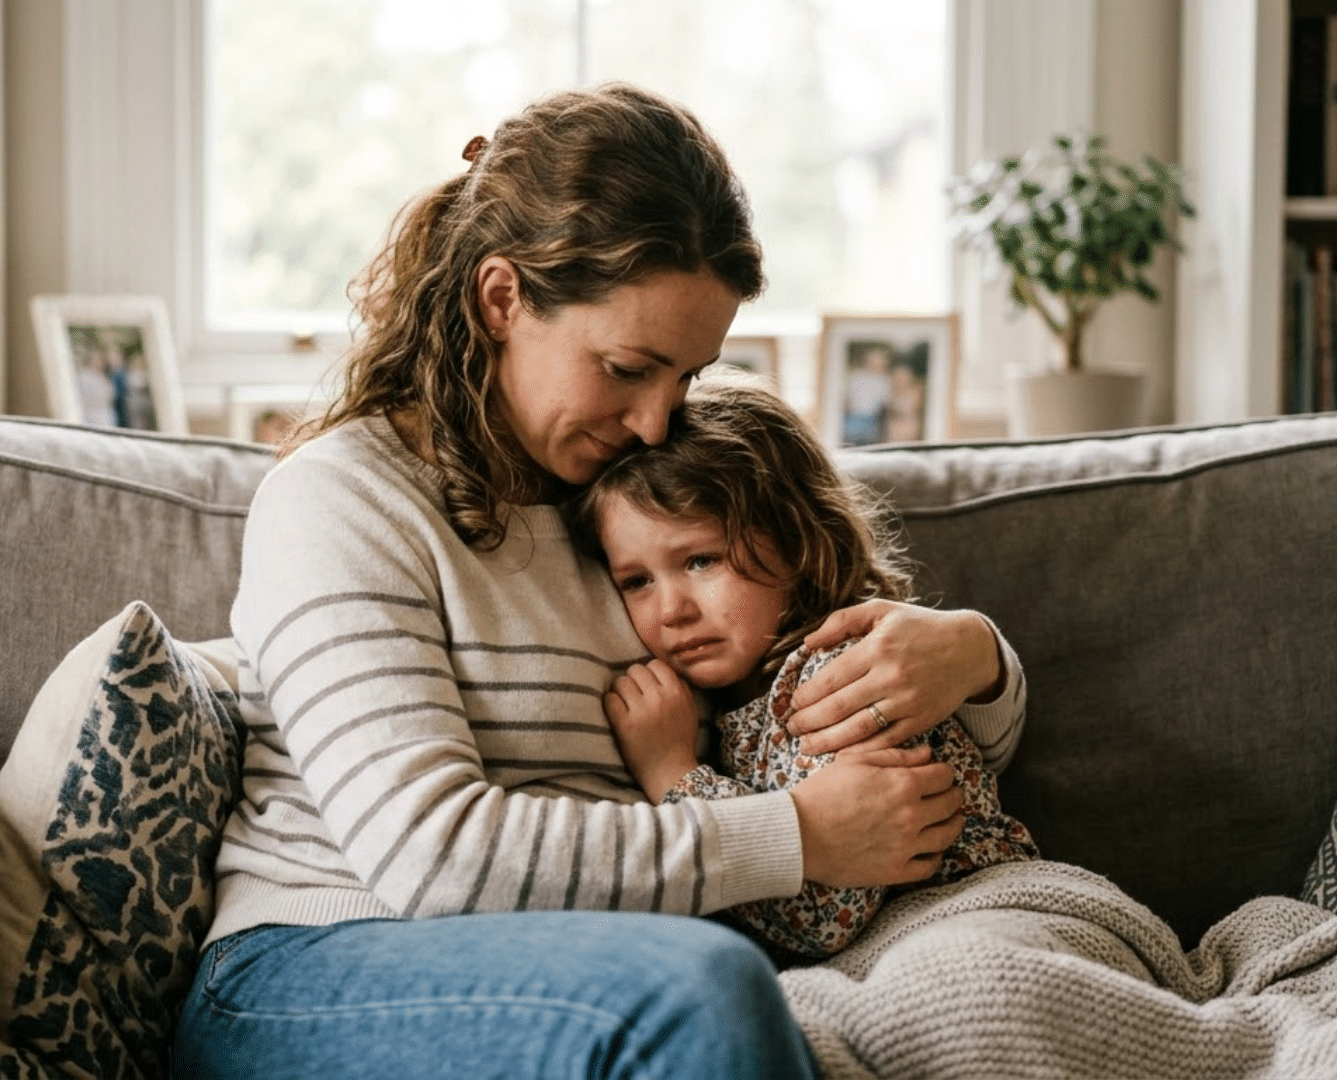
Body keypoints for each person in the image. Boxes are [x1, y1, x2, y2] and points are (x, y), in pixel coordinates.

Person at [173, 82, 1026, 1079]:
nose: (660, 420)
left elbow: (841, 719)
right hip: (322, 959)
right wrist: (796, 836)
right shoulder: (340, 499)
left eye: (688, 379)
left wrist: (974, 656)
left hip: (605, 956)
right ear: (503, 299)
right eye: (629, 367)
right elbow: (433, 859)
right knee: (701, 991)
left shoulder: (632, 517)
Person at [571, 379, 1039, 964]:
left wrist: (673, 774)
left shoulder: (834, 679)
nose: (672, 611)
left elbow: (822, 918)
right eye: (637, 581)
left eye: (700, 560)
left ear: (797, 541)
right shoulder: (732, 699)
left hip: (980, 919)